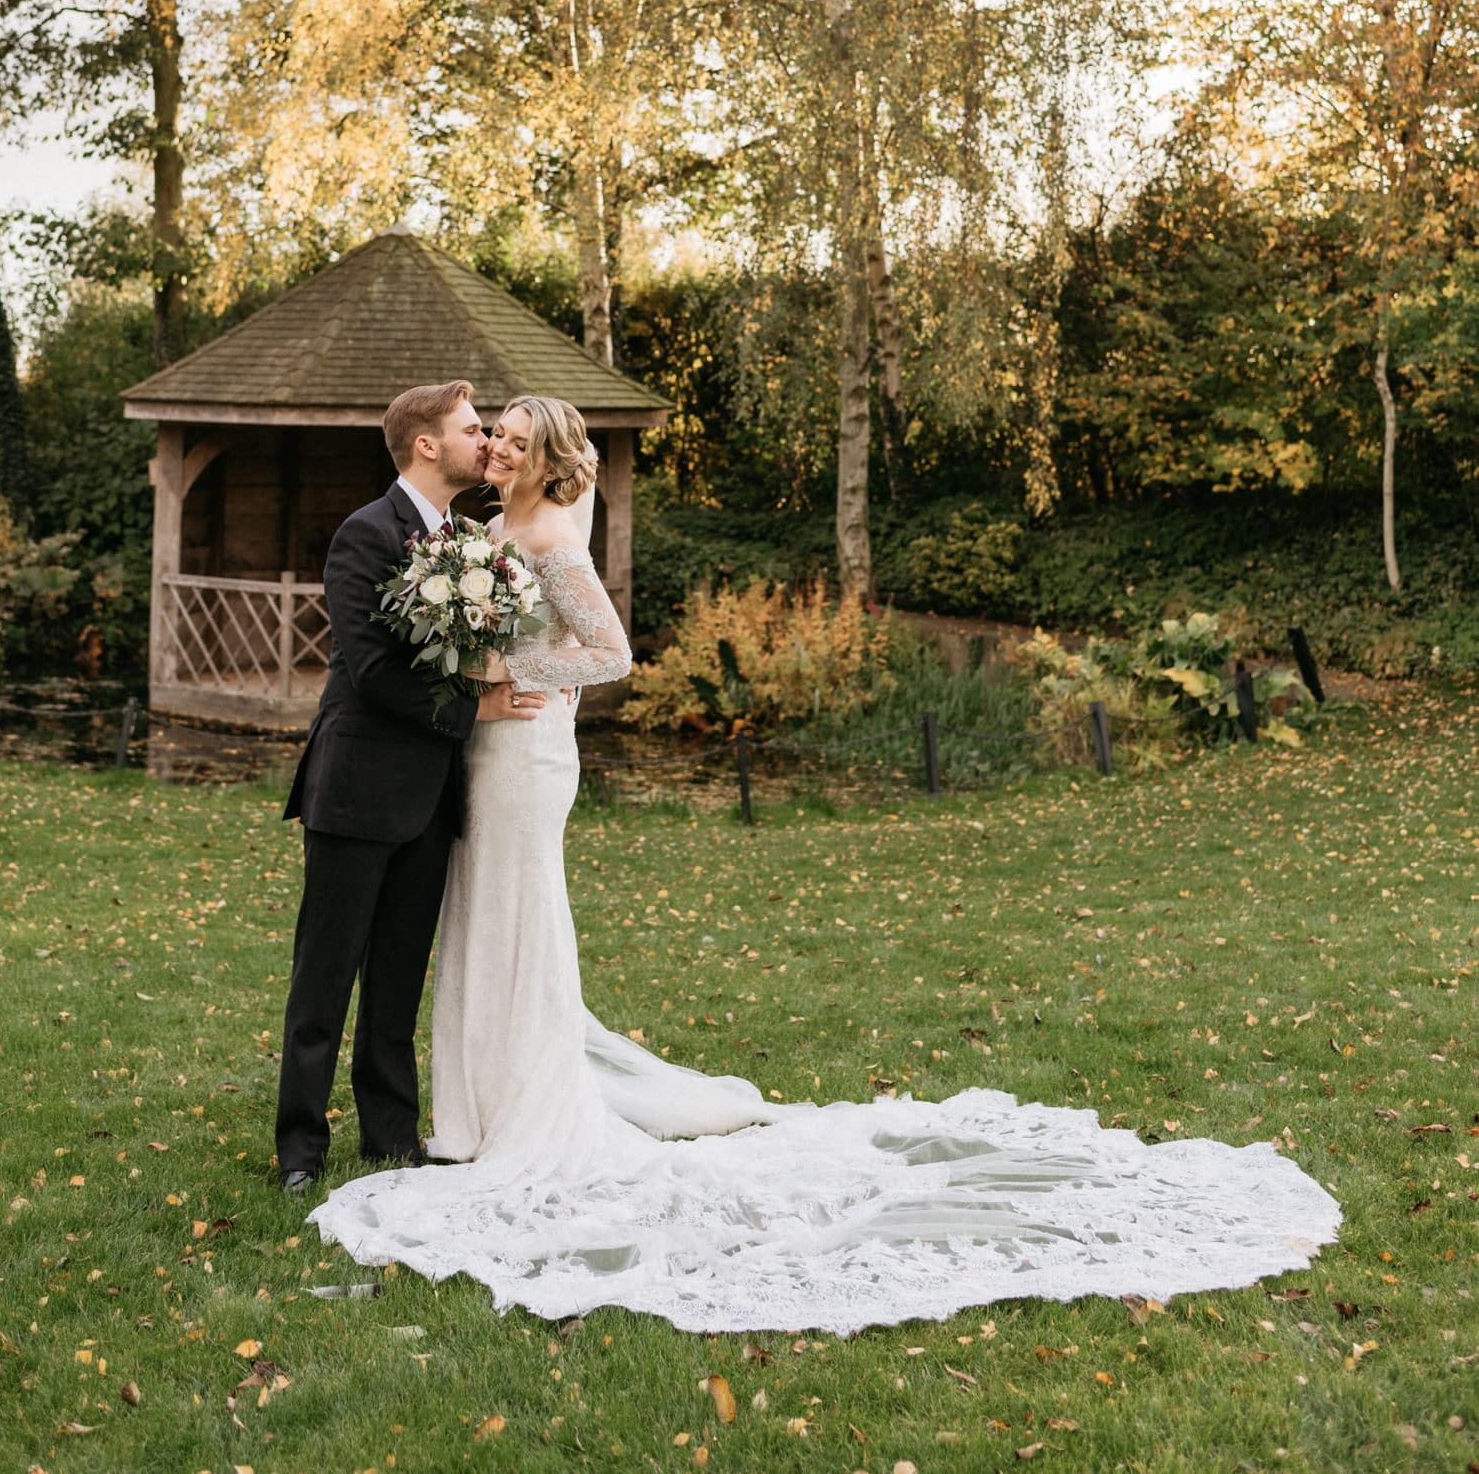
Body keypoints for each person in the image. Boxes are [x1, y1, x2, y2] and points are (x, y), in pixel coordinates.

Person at [306, 393, 1341, 1333]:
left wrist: (514, 671)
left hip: (527, 748)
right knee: (477, 918)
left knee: (521, 916)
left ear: (549, 460)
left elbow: (610, 654)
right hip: (475, 754)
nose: (500, 446)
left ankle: (522, 1107)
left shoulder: (548, 537)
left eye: (519, 440)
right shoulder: (474, 534)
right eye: (496, 435)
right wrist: (472, 674)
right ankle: (471, 1107)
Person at [273, 379, 547, 1193]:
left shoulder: (470, 537)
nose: (486, 441)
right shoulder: (366, 535)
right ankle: (300, 1150)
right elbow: (372, 668)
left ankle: (390, 1141)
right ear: (427, 445)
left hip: (431, 797)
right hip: (356, 790)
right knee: (324, 980)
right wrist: (478, 705)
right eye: (472, 430)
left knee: (396, 981)